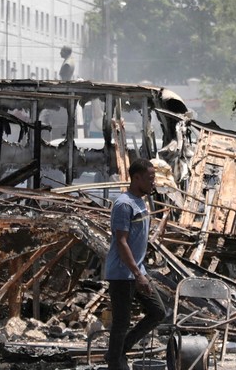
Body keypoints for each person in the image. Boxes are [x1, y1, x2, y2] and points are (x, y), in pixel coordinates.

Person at [103, 158, 166, 370]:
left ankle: (117, 353)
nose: (153, 182)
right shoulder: (124, 204)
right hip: (122, 273)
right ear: (136, 178)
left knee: (158, 312)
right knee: (121, 322)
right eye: (150, 178)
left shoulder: (141, 202)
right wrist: (138, 275)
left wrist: (140, 272)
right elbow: (121, 242)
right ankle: (115, 362)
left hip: (138, 270)